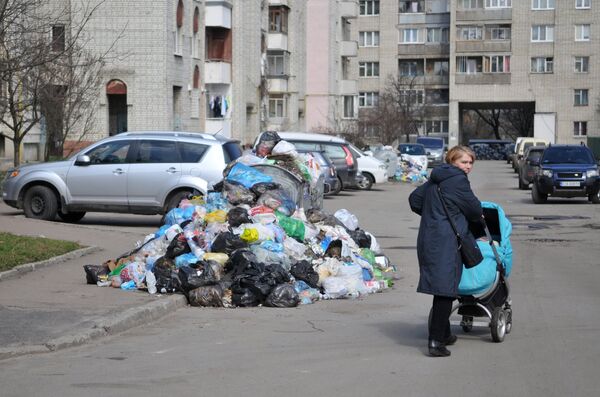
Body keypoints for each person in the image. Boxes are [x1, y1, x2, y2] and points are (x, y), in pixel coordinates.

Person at [408, 146, 482, 357]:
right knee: (445, 291)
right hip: (447, 241)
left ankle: (445, 333)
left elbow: (415, 200)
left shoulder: (437, 178)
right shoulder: (457, 180)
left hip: (429, 238)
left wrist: (434, 215)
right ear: (453, 162)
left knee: (443, 287)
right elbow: (475, 209)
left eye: (470, 163)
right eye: (463, 162)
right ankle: (436, 342)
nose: (467, 167)